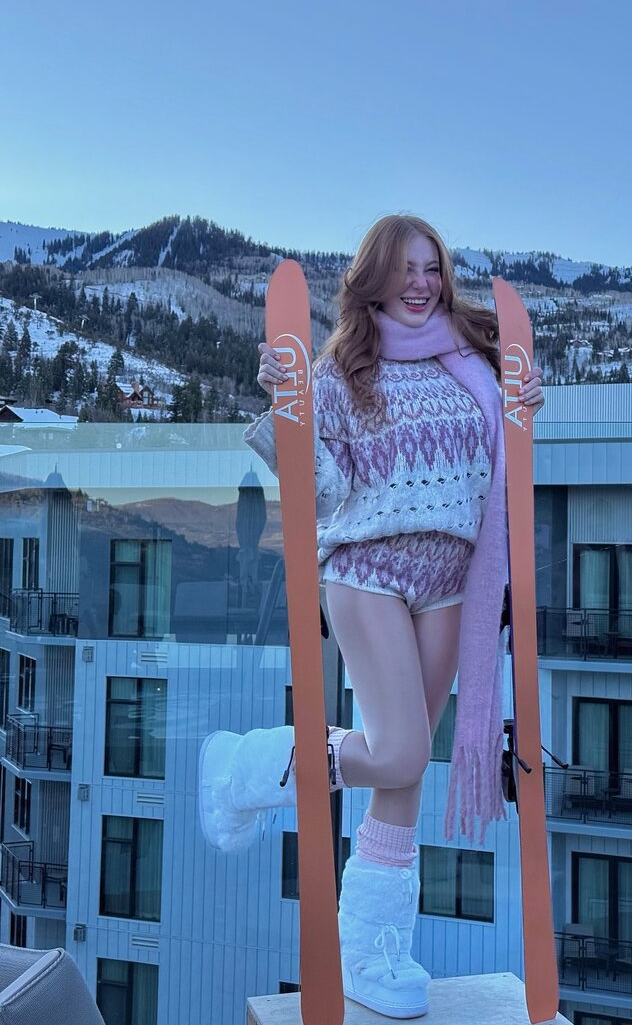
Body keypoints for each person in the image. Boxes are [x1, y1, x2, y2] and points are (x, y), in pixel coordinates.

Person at [198, 214, 543, 1019]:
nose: (422, 284)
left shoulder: (475, 362)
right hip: (368, 570)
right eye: (405, 268)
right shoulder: (339, 373)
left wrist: (526, 399)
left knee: (403, 774)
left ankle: (370, 950)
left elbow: (503, 450)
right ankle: (248, 766)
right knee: (399, 750)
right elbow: (321, 493)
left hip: (453, 579)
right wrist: (286, 409)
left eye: (433, 268)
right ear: (374, 278)